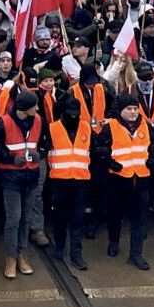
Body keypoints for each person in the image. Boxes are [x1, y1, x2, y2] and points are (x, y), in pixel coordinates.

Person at [0, 87, 45, 279]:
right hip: (11, 179)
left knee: (26, 218)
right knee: (14, 219)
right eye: (34, 106)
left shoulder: (38, 121)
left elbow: (45, 143)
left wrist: (40, 154)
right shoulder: (3, 124)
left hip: (30, 177)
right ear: (25, 108)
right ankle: (11, 258)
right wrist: (10, 159)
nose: (37, 109)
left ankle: (21, 253)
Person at [99, 94, 153, 269]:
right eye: (129, 109)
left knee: (140, 218)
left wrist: (153, 158)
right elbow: (99, 148)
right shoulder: (111, 126)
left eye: (135, 108)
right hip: (118, 179)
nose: (133, 112)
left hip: (141, 178)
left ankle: (136, 254)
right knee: (115, 213)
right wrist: (110, 162)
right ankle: (113, 242)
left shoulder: (145, 125)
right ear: (121, 110)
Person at [43, 95, 93, 270]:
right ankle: (59, 246)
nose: (73, 116)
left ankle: (76, 254)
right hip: (59, 181)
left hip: (80, 181)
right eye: (70, 113)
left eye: (76, 113)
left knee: (78, 218)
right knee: (60, 217)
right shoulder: (52, 128)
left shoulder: (86, 127)